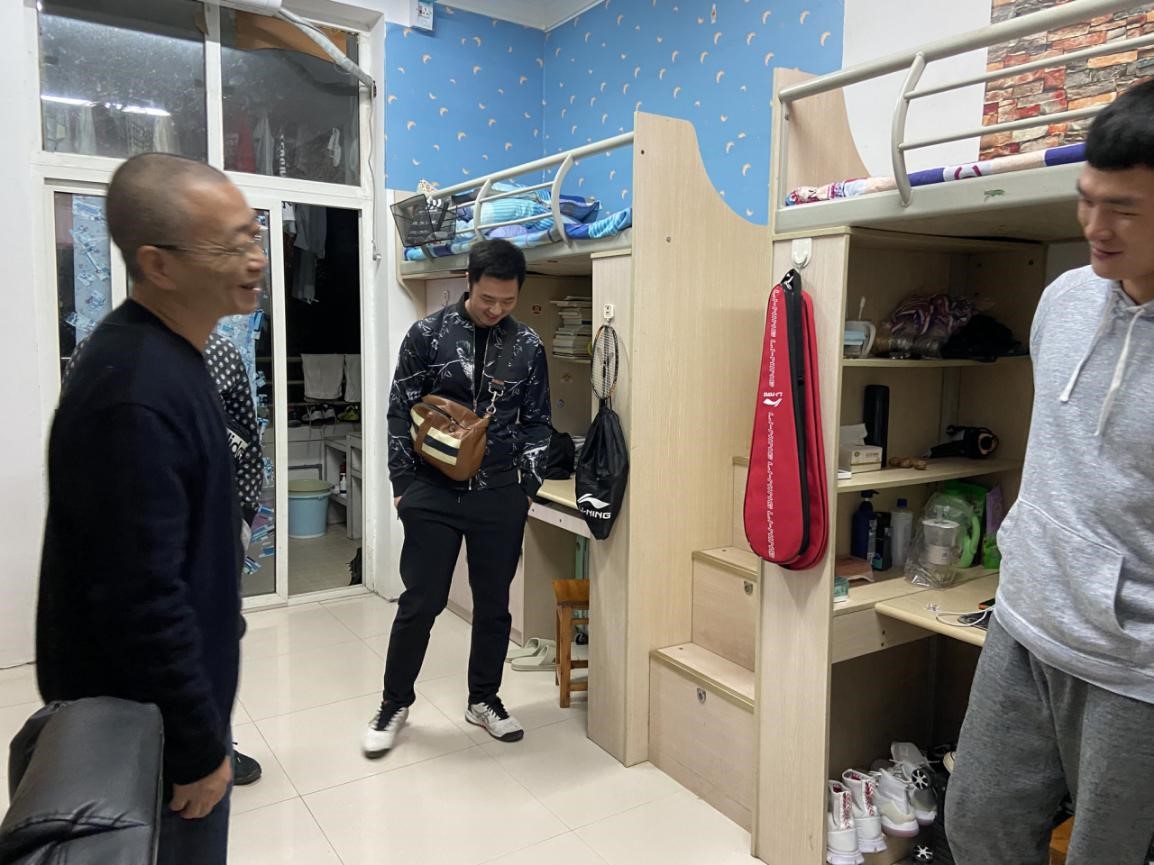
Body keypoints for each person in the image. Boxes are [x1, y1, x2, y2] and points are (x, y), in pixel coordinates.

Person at [38, 153, 268, 865]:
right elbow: (139, 599)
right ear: (157, 265)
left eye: (253, 234)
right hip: (147, 732)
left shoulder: (176, 356)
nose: (256, 259)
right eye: (229, 244)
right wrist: (197, 747)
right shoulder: (133, 390)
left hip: (166, 716)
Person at [946, 80, 1154, 864]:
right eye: (1086, 200)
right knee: (977, 825)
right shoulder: (1062, 299)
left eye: (1123, 208)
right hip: (1025, 622)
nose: (1095, 227)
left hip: (1134, 667)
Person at [363, 238, 552, 756]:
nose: (496, 309)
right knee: (421, 602)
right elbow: (399, 409)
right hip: (432, 490)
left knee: (494, 605)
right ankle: (394, 703)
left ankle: (484, 699)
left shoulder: (528, 345)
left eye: (507, 301)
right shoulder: (427, 334)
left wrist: (526, 487)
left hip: (501, 493)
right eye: (488, 298)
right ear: (469, 282)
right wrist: (403, 485)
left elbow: (538, 422)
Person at [205, 329, 265, 787]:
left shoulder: (221, 353)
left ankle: (215, 747)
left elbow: (246, 438)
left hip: (216, 521)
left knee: (214, 641)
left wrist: (242, 514)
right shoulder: (111, 352)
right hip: (143, 531)